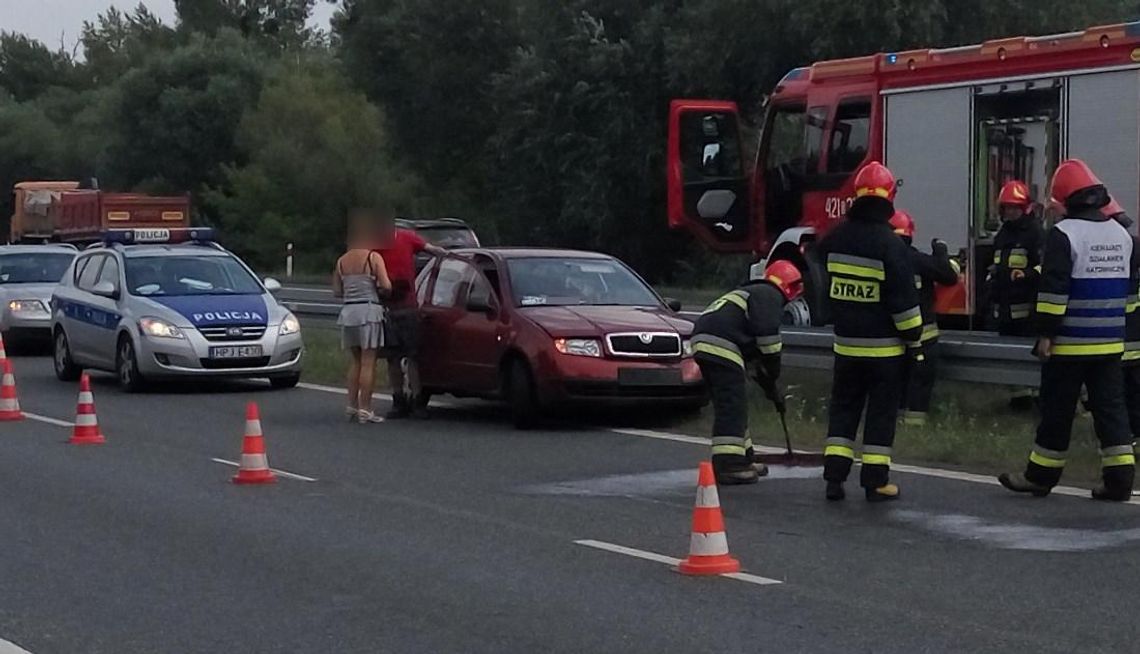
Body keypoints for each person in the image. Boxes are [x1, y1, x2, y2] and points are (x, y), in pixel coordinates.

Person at [999, 160, 1136, 501]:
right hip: (1110, 343)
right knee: (1111, 412)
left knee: (1056, 412)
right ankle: (1120, 480)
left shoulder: (1064, 235)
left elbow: (1053, 291)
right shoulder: (1122, 235)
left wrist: (1046, 334)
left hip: (1070, 344)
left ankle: (1040, 476)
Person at [816, 161, 922, 502]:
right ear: (889, 197)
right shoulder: (890, 245)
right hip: (884, 352)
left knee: (843, 409)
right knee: (880, 414)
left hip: (846, 347)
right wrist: (914, 337)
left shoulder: (836, 237)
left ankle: (834, 479)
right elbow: (903, 302)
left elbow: (817, 272)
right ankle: (875, 481)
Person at [691, 260, 804, 485]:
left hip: (706, 341)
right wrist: (774, 370)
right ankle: (729, 465)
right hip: (721, 343)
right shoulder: (769, 294)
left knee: (734, 403)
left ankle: (744, 457)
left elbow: (755, 361)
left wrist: (771, 389)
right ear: (790, 287)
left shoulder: (750, 294)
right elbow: (768, 339)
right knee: (732, 404)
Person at [890, 210, 961, 427]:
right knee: (919, 384)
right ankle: (914, 426)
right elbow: (950, 276)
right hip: (924, 338)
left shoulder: (884, 262)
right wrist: (940, 251)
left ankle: (898, 422)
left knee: (898, 383)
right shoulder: (919, 260)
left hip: (895, 338)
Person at [373, 221, 446, 419]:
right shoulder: (406, 237)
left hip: (390, 307)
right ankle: (414, 400)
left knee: (396, 358)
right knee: (408, 357)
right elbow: (432, 249)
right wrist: (447, 255)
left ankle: (402, 400)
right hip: (403, 306)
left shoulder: (377, 243)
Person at [989, 180, 1046, 410]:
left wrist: (1027, 275)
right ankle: (1019, 399)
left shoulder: (1035, 233)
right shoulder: (1003, 234)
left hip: (1026, 307)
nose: (1010, 212)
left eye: (1015, 208)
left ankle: (1037, 398)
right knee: (1008, 354)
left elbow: (1045, 267)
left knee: (1029, 356)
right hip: (1004, 305)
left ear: (1025, 209)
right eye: (1007, 208)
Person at [333, 218, 393, 424]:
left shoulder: (342, 261)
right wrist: (376, 286)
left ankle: (351, 405)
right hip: (369, 310)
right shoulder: (373, 257)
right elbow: (387, 285)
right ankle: (365, 409)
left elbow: (336, 291)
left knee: (355, 361)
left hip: (349, 312)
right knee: (369, 362)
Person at [1104, 198, 1140, 446]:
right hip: (1125, 335)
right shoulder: (1129, 247)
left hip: (1123, 337)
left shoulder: (1112, 250)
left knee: (1126, 395)